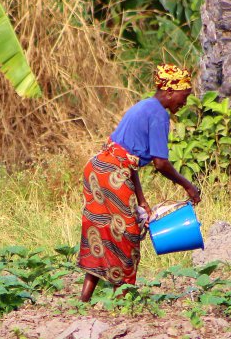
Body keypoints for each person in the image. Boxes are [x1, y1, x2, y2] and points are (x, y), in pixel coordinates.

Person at [78, 63, 202, 302]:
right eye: (184, 96)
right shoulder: (158, 115)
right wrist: (188, 185)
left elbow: (130, 158)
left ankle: (84, 300)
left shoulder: (144, 106)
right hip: (113, 173)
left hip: (99, 169)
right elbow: (161, 163)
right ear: (169, 92)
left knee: (102, 231)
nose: (184, 103)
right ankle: (123, 298)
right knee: (129, 233)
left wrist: (142, 199)